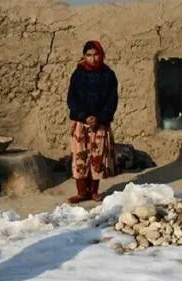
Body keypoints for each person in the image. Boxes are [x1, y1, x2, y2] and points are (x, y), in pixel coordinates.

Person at [67, 40, 118, 203]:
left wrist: (99, 118)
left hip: (100, 123)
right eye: (89, 55)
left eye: (96, 54)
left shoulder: (108, 75)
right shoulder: (78, 74)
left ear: (101, 55)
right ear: (84, 56)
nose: (93, 58)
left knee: (97, 158)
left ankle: (94, 191)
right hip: (81, 123)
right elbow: (72, 99)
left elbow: (112, 100)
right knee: (80, 157)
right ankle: (82, 192)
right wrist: (84, 116)